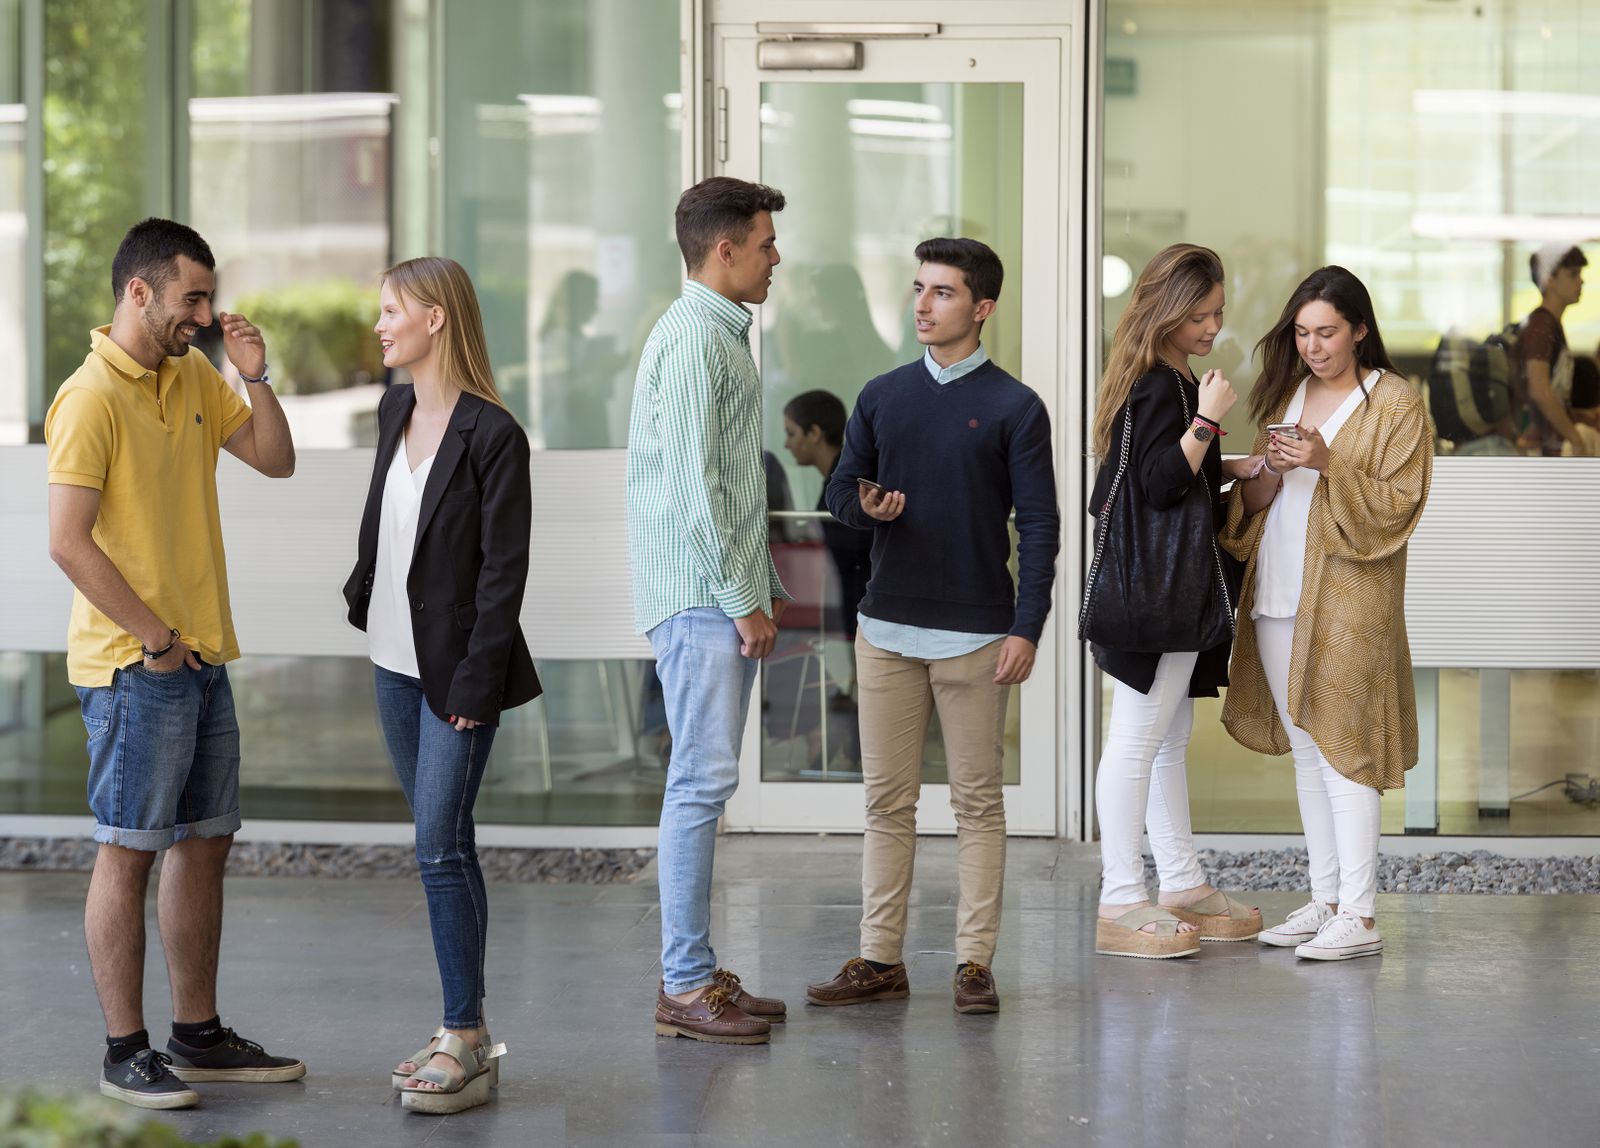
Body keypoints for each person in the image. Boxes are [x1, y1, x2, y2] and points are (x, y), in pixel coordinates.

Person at [44, 218, 301, 1110]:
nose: (204, 312)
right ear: (138, 292)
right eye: (191, 296)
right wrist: (154, 639)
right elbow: (68, 544)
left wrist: (254, 374)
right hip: (133, 665)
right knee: (129, 852)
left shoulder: (194, 374)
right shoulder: (88, 398)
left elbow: (276, 460)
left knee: (204, 841)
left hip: (200, 652)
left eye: (208, 295)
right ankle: (124, 1050)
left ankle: (197, 1034)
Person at [806, 237, 1059, 1015]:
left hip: (980, 638)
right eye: (918, 288)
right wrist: (866, 505)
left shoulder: (1017, 407)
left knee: (977, 803)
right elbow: (840, 493)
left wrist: (1027, 628)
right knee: (887, 804)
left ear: (981, 308)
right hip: (885, 633)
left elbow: (1042, 527)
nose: (922, 304)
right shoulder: (882, 396)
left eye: (942, 292)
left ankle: (974, 963)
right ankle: (880, 959)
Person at [342, 256, 540, 1112]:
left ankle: (464, 1033)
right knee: (446, 842)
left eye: (393, 310)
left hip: (456, 674)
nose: (380, 324)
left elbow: (504, 575)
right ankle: (467, 1030)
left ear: (436, 319)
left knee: (435, 846)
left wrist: (475, 681)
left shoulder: (493, 433)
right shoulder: (394, 408)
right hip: (392, 658)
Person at [1223, 265, 1432, 960]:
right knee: (1310, 755)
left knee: (1348, 753)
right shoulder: (1289, 391)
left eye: (1328, 333)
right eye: (1303, 333)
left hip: (1350, 600)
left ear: (1361, 330)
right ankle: (1327, 901)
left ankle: (1364, 917)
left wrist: (1326, 459)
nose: (1314, 347)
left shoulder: (1396, 404)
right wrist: (1271, 470)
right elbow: (1253, 507)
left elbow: (1398, 506)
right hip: (1278, 592)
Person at [627, 176, 791, 1045]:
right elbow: (699, 490)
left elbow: (720, 485)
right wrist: (742, 599)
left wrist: (754, 591)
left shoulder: (713, 335)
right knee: (698, 785)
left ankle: (696, 975)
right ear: (722, 250)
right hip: (699, 598)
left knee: (704, 782)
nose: (776, 258)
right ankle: (685, 984)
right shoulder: (695, 340)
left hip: (707, 595)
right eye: (765, 244)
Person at [1086, 244, 1265, 959]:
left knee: (1164, 740)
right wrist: (1210, 421)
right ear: (1166, 311)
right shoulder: (1167, 385)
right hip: (1159, 595)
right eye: (1199, 315)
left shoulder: (1159, 376)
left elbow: (1150, 479)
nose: (1212, 327)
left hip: (1163, 590)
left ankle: (1182, 881)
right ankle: (1121, 897)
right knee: (1136, 741)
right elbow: (1159, 483)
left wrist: (1228, 462)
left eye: (1217, 313)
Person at [782, 389, 873, 648]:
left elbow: (854, 545)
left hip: (861, 601)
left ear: (814, 433)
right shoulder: (838, 482)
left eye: (791, 433)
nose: (786, 445)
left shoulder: (847, 487)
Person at [1520, 243, 1592, 456]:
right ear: (1549, 280)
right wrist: (1575, 438)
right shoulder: (1541, 326)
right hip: (1540, 451)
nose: (1581, 281)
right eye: (1573, 274)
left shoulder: (1550, 324)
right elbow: (1540, 389)